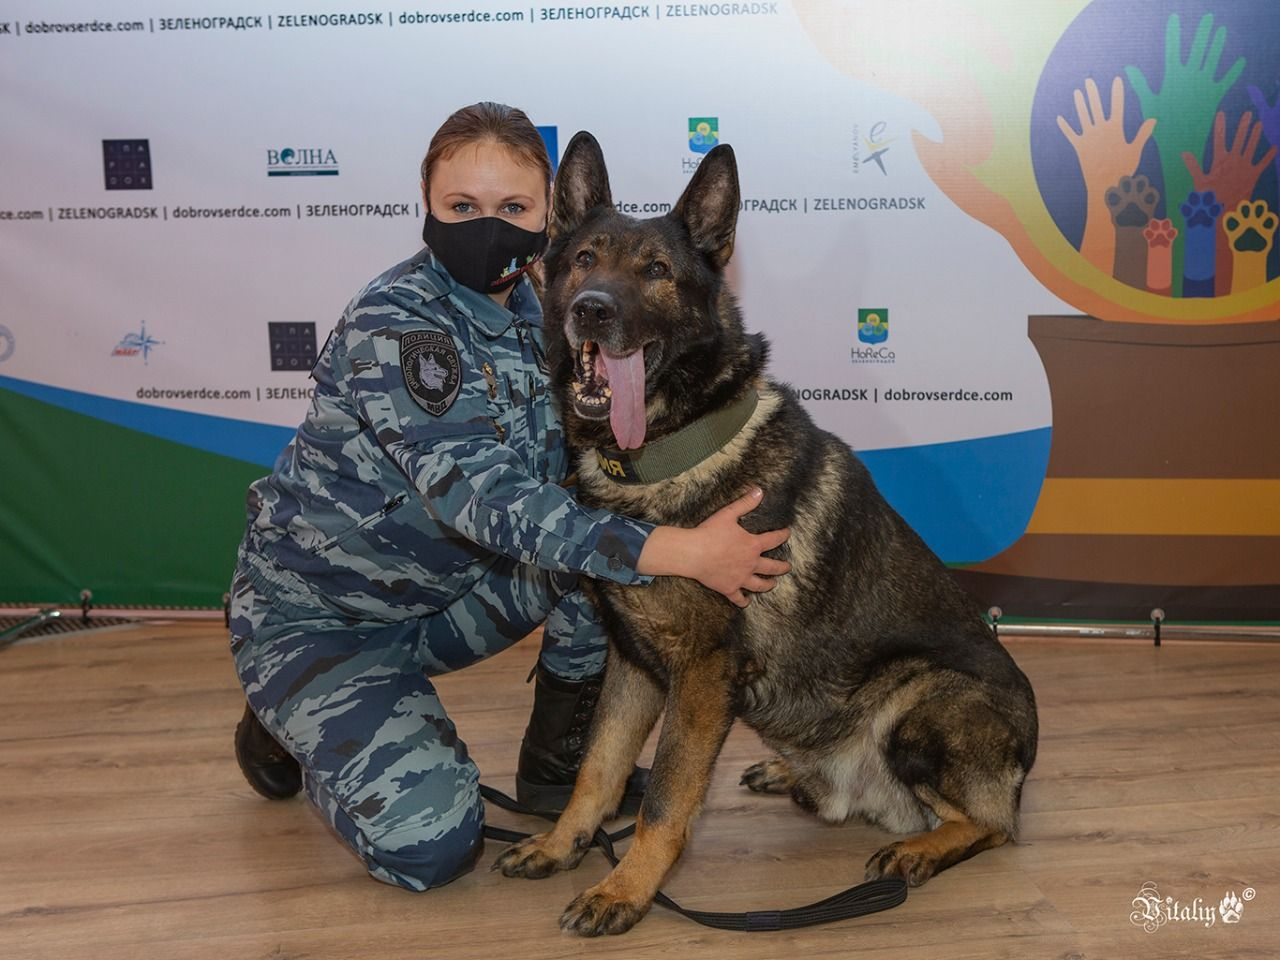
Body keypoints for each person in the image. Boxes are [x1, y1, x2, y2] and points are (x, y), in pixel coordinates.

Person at [227, 101, 791, 893]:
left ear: (545, 218)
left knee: (597, 565)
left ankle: (556, 770)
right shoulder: (399, 324)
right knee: (430, 848)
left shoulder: (556, 300)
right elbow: (478, 497)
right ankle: (293, 718)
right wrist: (683, 550)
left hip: (452, 594)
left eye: (514, 208)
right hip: (329, 619)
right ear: (426, 203)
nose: (487, 226)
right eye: (462, 206)